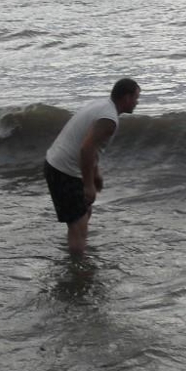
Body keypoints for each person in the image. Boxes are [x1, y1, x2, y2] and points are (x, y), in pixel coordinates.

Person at [44, 77, 141, 254]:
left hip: (58, 165)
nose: (137, 102)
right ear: (126, 98)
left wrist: (96, 173)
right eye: (136, 97)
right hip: (64, 171)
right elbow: (86, 149)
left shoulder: (103, 106)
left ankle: (75, 260)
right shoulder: (109, 119)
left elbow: (91, 147)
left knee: (84, 213)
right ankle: (78, 272)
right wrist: (89, 185)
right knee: (78, 226)